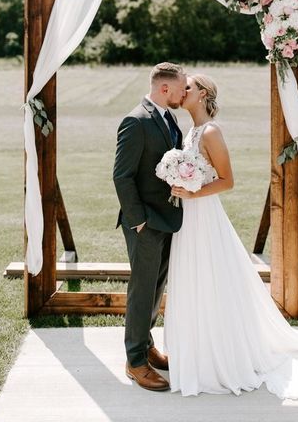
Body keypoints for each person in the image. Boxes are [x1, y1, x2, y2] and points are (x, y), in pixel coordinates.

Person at [164, 74, 298, 399]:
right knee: (195, 278)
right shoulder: (191, 132)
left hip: (205, 215)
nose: (183, 91)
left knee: (212, 276)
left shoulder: (210, 131)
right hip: (189, 218)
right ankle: (198, 346)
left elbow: (227, 180)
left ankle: (221, 353)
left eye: (188, 87)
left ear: (203, 93)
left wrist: (194, 194)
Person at [113, 62, 187, 392]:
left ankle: (146, 345)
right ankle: (135, 362)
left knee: (156, 289)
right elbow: (122, 176)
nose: (186, 92)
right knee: (142, 291)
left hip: (167, 219)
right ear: (164, 89)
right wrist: (138, 220)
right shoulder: (135, 120)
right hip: (145, 222)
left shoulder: (169, 117)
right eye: (182, 87)